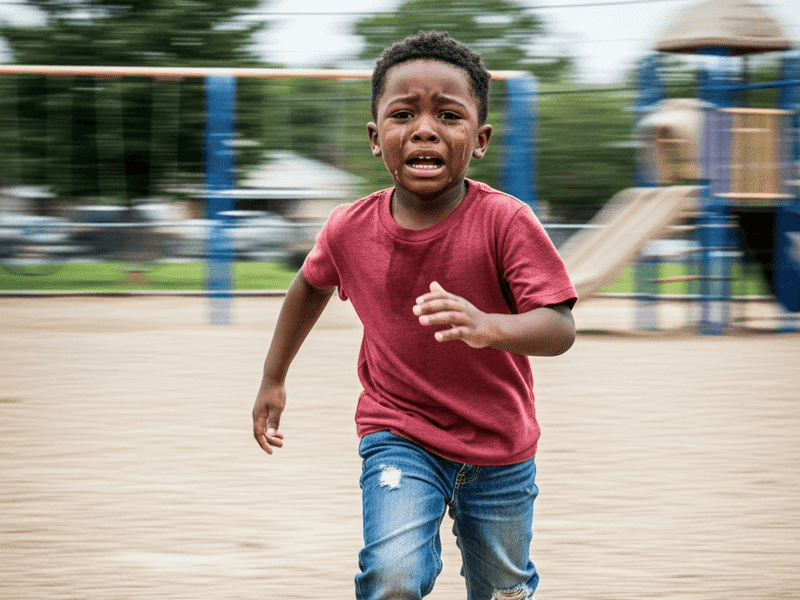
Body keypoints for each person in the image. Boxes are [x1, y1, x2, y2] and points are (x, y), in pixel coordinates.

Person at [252, 31, 577, 600]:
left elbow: (559, 325)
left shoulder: (506, 222)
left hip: (499, 445)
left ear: (479, 140)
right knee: (393, 576)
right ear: (377, 139)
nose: (425, 128)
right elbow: (308, 286)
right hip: (398, 432)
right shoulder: (348, 228)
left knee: (503, 590)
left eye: (448, 115)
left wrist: (488, 325)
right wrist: (273, 377)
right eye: (404, 114)